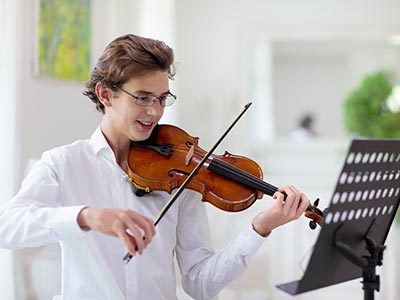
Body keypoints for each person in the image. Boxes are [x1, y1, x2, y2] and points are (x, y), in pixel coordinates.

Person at [0, 34, 310, 300]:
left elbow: (200, 284)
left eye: (162, 98)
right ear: (105, 94)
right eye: (143, 97)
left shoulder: (180, 173)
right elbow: (8, 227)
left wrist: (261, 227)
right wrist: (88, 216)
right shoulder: (64, 162)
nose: (155, 112)